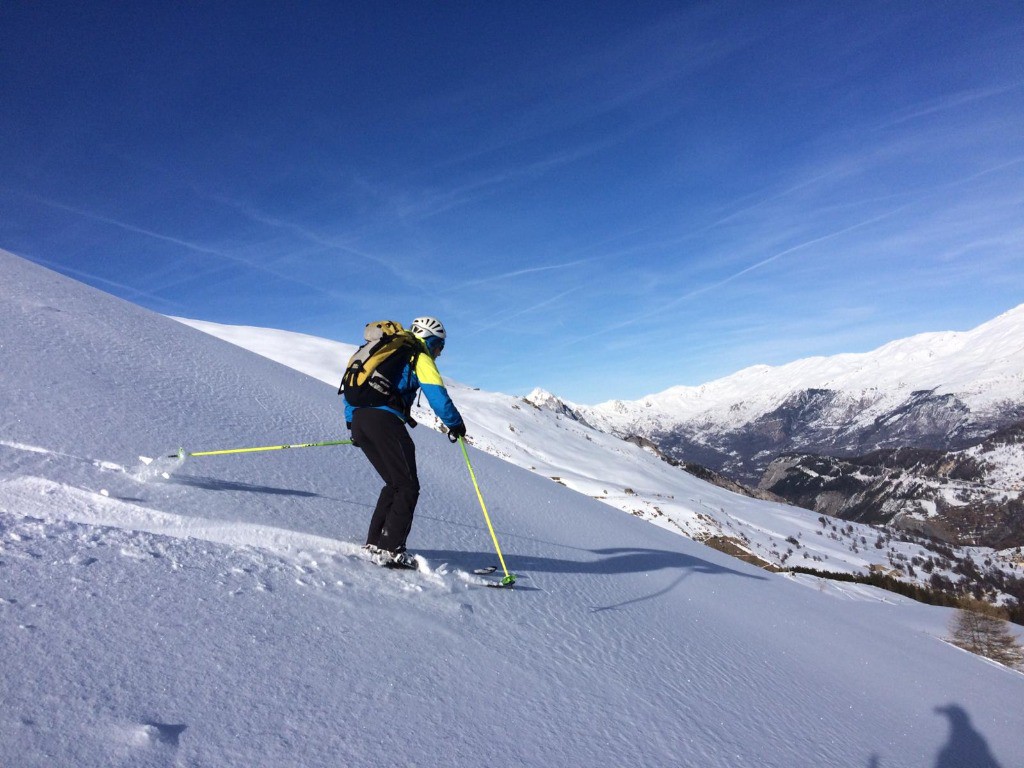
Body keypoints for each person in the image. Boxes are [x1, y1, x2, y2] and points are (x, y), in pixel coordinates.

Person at [344, 316, 466, 568]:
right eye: (440, 347)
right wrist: (455, 423)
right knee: (408, 486)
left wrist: (352, 425)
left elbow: (351, 385)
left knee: (394, 484)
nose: (439, 354)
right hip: (385, 421)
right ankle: (391, 550)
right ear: (431, 341)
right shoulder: (417, 354)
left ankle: (376, 542)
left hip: (359, 419)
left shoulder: (377, 352)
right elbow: (436, 394)